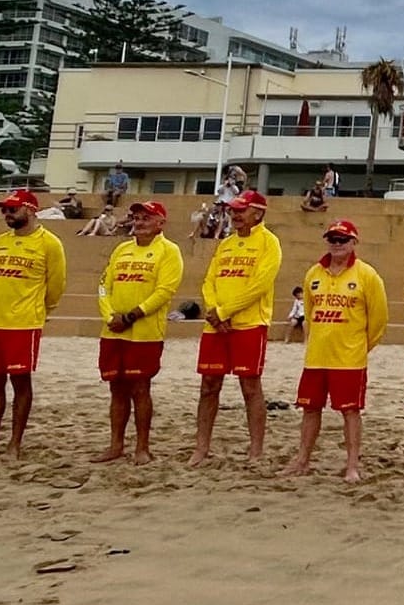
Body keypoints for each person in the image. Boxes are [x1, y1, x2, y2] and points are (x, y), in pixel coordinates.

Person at [283, 219, 388, 482]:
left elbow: (378, 319)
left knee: (350, 412)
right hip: (317, 356)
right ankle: (302, 460)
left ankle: (352, 465)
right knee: (310, 409)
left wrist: (362, 347)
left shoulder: (367, 275)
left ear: (354, 242)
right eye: (332, 239)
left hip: (349, 358)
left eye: (343, 239)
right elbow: (309, 312)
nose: (337, 244)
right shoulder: (313, 274)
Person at [0, 190, 67, 459]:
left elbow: (56, 285)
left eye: (13, 209)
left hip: (24, 322)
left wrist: (42, 311)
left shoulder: (49, 243)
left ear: (30, 210)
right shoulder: (0, 242)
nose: (7, 214)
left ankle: (14, 443)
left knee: (20, 381)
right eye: (4, 210)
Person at [193, 189, 281, 466]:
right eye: (233, 210)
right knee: (208, 385)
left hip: (249, 323)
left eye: (241, 210)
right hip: (216, 325)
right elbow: (209, 280)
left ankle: (256, 449)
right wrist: (213, 312)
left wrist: (224, 311)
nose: (235, 215)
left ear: (258, 213)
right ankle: (201, 447)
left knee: (250, 387)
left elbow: (259, 285)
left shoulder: (269, 243)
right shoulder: (226, 244)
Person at [93, 202, 183, 465]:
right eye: (137, 217)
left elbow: (165, 291)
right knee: (116, 389)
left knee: (140, 389)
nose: (140, 222)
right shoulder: (122, 249)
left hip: (144, 332)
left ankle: (142, 447)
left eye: (147, 217)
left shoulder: (169, 251)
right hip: (113, 331)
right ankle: (115, 445)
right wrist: (109, 315)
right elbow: (103, 286)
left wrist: (131, 316)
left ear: (160, 223)